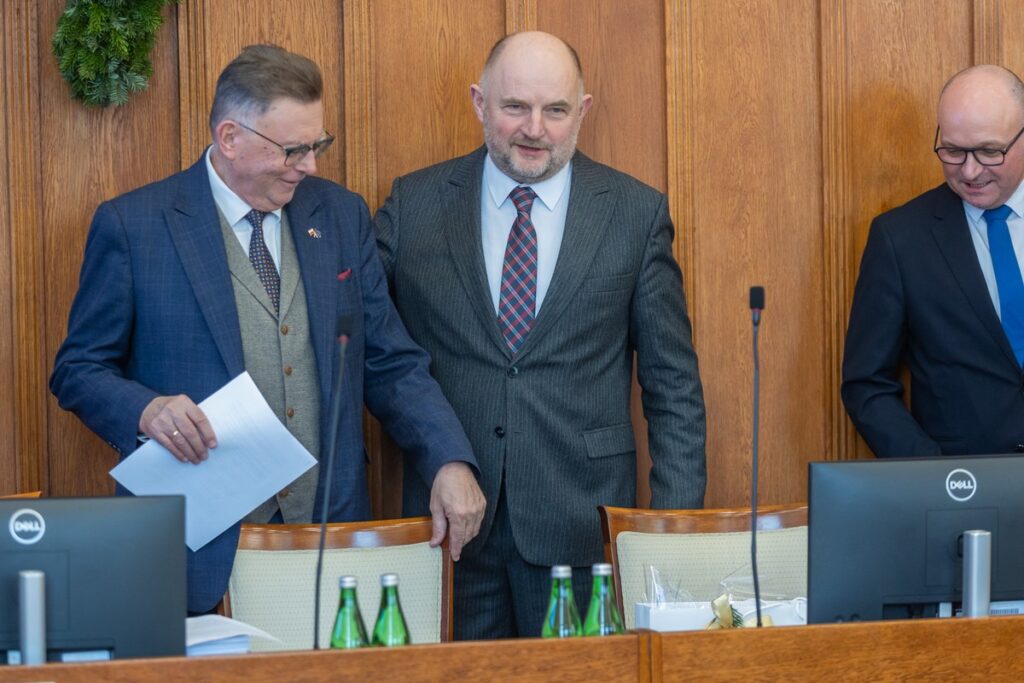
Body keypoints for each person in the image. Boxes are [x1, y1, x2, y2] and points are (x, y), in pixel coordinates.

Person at [50, 44, 485, 615]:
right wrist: (144, 409)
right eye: (293, 149)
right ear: (230, 138)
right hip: (192, 550)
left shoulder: (339, 215)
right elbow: (78, 369)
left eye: (317, 144)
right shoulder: (135, 225)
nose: (310, 165)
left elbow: (388, 360)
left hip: (328, 539)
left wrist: (448, 458)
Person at [374, 31, 706, 639]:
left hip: (582, 535)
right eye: (514, 107)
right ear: (479, 103)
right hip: (449, 532)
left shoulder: (635, 214)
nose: (535, 129)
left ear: (581, 111)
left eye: (555, 110)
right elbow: (373, 350)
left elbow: (673, 389)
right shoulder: (415, 204)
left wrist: (671, 536)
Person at [843, 64, 1024, 457]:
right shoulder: (900, 239)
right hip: (965, 490)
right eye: (954, 151)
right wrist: (932, 476)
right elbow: (866, 383)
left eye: (990, 151)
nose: (971, 171)